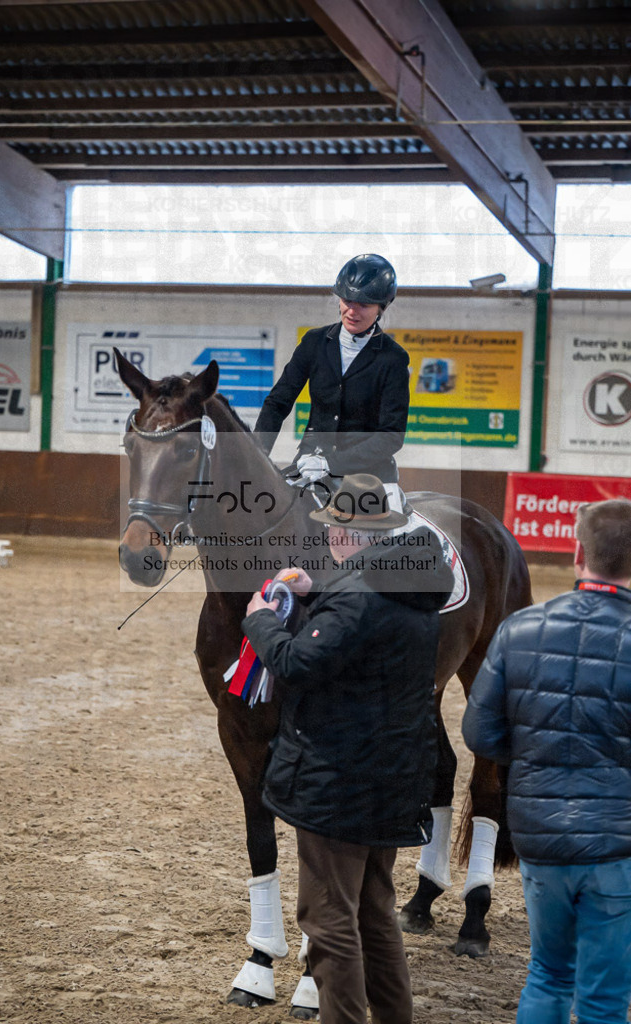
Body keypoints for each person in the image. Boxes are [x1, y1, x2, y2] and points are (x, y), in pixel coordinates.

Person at [242, 473, 454, 1024]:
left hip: (338, 783)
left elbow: (295, 663)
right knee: (375, 913)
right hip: (393, 778)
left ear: (355, 536)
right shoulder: (408, 585)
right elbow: (357, 629)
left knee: (328, 918)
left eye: (336, 530)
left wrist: (261, 620)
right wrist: (321, 595)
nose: (330, 539)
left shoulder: (357, 599)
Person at [461, 498, 631, 1024]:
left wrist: (537, 752)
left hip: (540, 836)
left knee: (548, 974)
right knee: (603, 998)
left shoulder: (519, 630)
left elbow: (478, 732)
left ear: (577, 553)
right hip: (615, 842)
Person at [254, 253, 409, 508]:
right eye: (347, 300)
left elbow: (391, 436)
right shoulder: (314, 342)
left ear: (381, 307)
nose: (351, 310)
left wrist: (331, 464)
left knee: (388, 537)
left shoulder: (393, 358)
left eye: (364, 304)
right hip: (309, 462)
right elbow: (278, 402)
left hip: (368, 474)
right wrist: (258, 456)